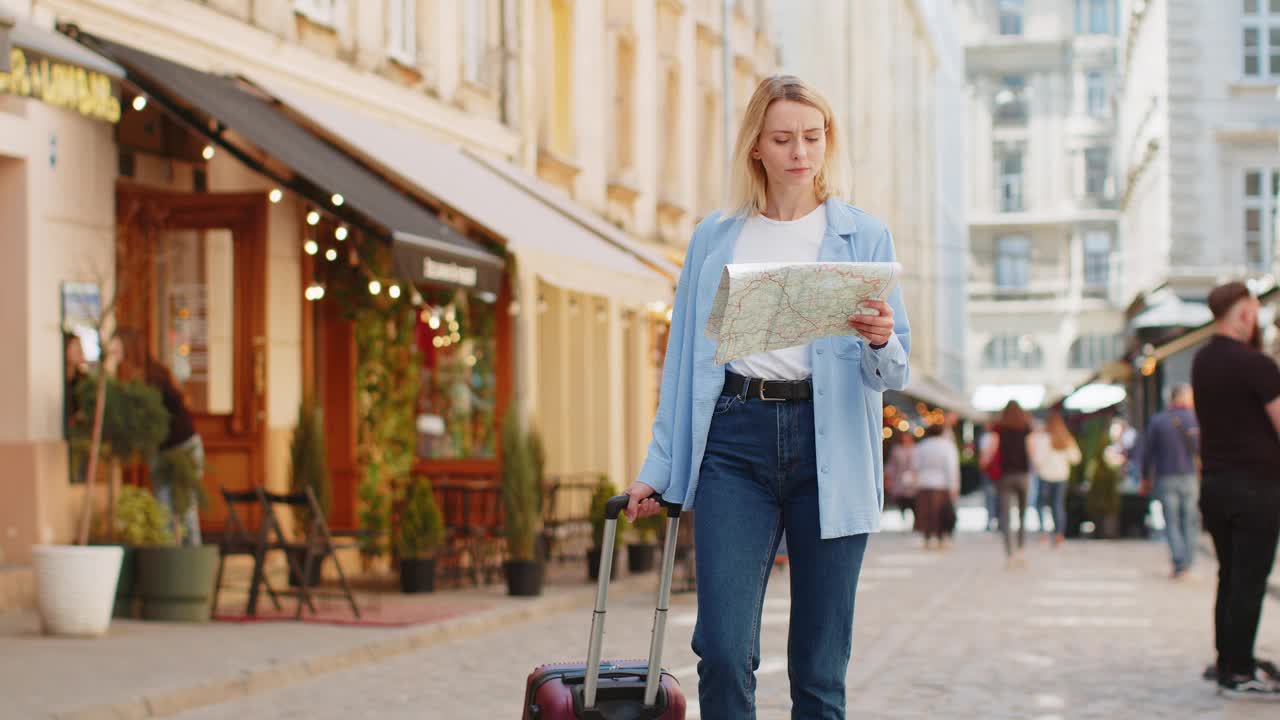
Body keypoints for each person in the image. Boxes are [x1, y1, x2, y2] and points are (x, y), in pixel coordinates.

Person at [622, 75, 910, 718]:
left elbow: (893, 372)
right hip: (734, 439)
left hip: (829, 442)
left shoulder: (863, 236)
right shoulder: (715, 237)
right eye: (783, 138)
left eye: (812, 137)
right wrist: (658, 470)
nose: (799, 152)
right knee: (722, 651)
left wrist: (880, 339)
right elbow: (682, 370)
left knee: (818, 667)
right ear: (757, 146)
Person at [1191, 281, 1280, 699]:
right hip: (1256, 487)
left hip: (1215, 484)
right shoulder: (1256, 365)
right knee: (1249, 580)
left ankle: (1228, 659)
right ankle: (1239, 672)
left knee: (1230, 575)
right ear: (1244, 313)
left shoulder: (1202, 361)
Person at [117, 328, 205, 546]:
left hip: (181, 448)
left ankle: (189, 560)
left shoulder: (152, 379)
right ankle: (175, 557)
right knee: (166, 508)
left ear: (128, 349)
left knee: (184, 507)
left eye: (116, 346)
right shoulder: (142, 376)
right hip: (165, 449)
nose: (112, 351)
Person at [1139, 384, 1201, 579]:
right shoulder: (1196, 419)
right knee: (1190, 521)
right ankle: (1188, 563)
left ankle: (1179, 562)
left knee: (1172, 522)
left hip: (1165, 476)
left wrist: (1145, 477)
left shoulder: (1158, 421)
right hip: (1190, 476)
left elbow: (1146, 452)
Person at [982, 400, 1034, 567]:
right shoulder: (1026, 428)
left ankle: (1009, 554)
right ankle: (1021, 551)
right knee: (1022, 515)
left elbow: (991, 450)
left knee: (1006, 516)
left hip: (1005, 476)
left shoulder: (999, 428)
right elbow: (1031, 451)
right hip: (1023, 475)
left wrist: (985, 463)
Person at [1029, 411, 1080, 548]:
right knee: (1058, 505)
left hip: (1045, 475)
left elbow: (1038, 459)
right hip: (1061, 476)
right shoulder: (1066, 439)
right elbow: (1076, 458)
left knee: (1040, 504)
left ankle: (1043, 531)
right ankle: (1059, 533)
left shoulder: (1044, 439)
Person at [911, 424, 960, 550]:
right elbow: (950, 467)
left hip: (924, 483)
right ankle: (940, 538)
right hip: (941, 484)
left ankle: (927, 538)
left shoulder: (921, 446)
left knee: (926, 513)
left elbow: (915, 466)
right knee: (941, 512)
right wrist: (953, 486)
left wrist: (915, 483)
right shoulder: (947, 446)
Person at [884, 432, 918, 525]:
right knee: (902, 501)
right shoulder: (896, 450)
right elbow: (891, 465)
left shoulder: (916, 449)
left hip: (914, 480)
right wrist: (888, 479)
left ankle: (914, 522)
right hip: (899, 479)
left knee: (913, 501)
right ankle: (904, 521)